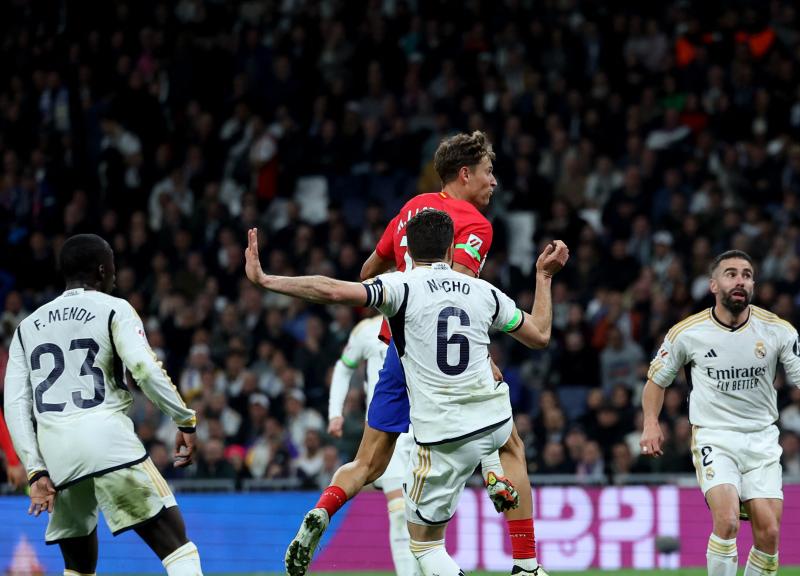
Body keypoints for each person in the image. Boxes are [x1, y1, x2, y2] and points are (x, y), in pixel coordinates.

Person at [247, 130, 542, 576]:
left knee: (367, 462)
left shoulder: (409, 210)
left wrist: (271, 280)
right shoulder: (475, 224)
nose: (493, 182)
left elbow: (369, 269)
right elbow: (456, 290)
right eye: (488, 172)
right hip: (435, 355)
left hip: (394, 348)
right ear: (466, 174)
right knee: (504, 437)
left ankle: (324, 509)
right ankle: (523, 555)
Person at [640, 250, 800, 576]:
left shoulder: (777, 330)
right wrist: (650, 422)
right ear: (714, 284)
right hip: (715, 436)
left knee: (769, 533)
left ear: (753, 284)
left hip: (762, 439)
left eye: (746, 274)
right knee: (727, 520)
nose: (740, 280)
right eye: (731, 274)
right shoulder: (686, 333)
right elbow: (656, 382)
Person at [3, 234, 204, 576]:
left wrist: (35, 469)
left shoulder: (27, 327)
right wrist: (184, 419)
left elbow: (15, 403)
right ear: (101, 270)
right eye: (112, 267)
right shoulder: (115, 308)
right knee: (177, 546)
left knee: (79, 566)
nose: (114, 275)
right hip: (109, 441)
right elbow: (144, 369)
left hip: (57, 454)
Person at [326, 313, 419, 575]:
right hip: (385, 431)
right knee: (399, 512)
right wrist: (335, 412)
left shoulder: (423, 315)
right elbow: (344, 366)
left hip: (425, 425)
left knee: (422, 513)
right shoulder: (366, 330)